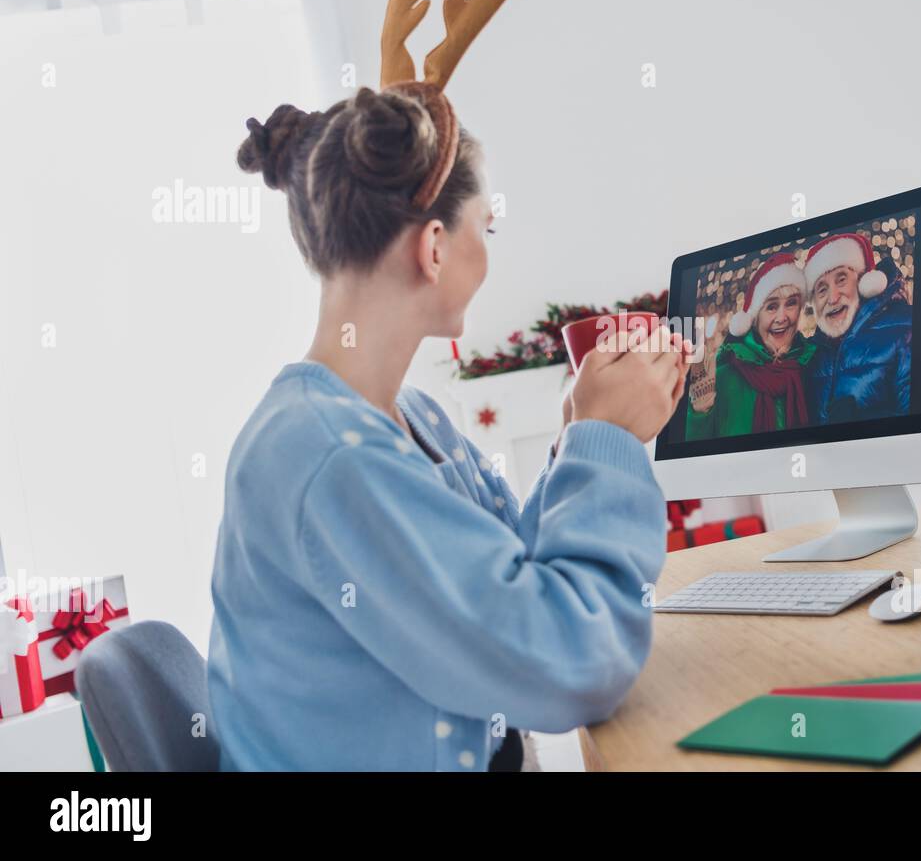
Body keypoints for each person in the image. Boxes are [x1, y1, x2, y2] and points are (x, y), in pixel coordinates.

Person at [207, 88, 688, 771]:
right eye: (483, 231)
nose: (485, 254)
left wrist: (580, 435)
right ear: (434, 247)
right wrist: (606, 447)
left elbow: (502, 579)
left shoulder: (410, 418)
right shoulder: (329, 458)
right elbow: (570, 663)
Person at [686, 253, 814, 438]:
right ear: (755, 318)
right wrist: (700, 411)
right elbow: (696, 452)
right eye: (771, 307)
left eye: (791, 304)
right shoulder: (724, 377)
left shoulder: (812, 367)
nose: (782, 317)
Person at [803, 232, 911, 423]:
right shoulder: (812, 354)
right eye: (821, 289)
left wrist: (861, 424)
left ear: (865, 282)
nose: (833, 297)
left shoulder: (905, 329)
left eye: (841, 279)